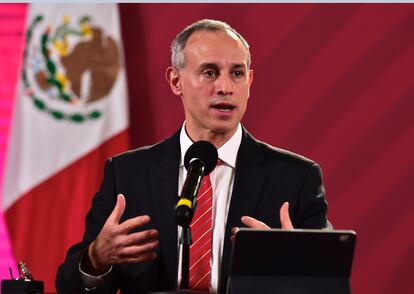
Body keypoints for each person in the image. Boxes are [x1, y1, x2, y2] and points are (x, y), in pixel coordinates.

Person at [56, 19, 330, 294]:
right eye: (210, 72)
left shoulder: (296, 178)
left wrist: (292, 266)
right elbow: (70, 286)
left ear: (249, 81)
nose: (225, 87)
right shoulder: (127, 173)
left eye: (237, 73)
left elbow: (329, 284)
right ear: (176, 81)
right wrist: (96, 258)